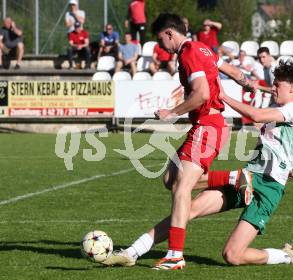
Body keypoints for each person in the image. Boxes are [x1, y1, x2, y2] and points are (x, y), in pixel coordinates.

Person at [102, 61, 293, 268]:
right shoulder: (286, 111)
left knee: (232, 256)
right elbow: (288, 143)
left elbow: (256, 115)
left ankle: (285, 256)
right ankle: (132, 252)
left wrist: (224, 97)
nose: (273, 88)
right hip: (250, 177)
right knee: (186, 208)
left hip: (268, 188)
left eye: (278, 85)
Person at [103, 13, 260, 270]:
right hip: (205, 126)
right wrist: (248, 82)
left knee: (181, 189)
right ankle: (233, 178)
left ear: (169, 33)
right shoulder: (202, 49)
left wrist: (171, 112)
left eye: (160, 40)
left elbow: (202, 94)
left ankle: (175, 255)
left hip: (208, 127)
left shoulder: (189, 53)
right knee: (170, 179)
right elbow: (230, 70)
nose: (160, 46)